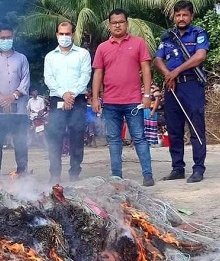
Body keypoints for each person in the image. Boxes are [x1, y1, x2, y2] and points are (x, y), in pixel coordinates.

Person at [91, 9, 154, 186]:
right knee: (114, 140)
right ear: (109, 25)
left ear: (127, 23)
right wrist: (96, 98)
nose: (117, 25)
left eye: (121, 22)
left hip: (134, 102)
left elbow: (146, 70)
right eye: (114, 22)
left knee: (140, 138)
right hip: (110, 103)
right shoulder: (102, 47)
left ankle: (147, 175)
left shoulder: (139, 43)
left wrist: (147, 95)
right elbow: (98, 73)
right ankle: (116, 176)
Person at [153, 0, 209, 183]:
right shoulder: (167, 37)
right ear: (174, 17)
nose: (181, 18)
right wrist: (169, 75)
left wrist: (177, 71)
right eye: (178, 15)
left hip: (191, 85)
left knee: (195, 128)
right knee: (174, 129)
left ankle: (198, 168)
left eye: (185, 15)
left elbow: (200, 56)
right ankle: (177, 168)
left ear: (191, 16)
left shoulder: (198, 33)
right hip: (172, 87)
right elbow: (157, 60)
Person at [44, 21, 92, 183]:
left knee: (77, 136)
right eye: (61, 34)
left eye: (67, 34)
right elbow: (49, 79)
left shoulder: (83, 54)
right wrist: (63, 94)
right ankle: (54, 174)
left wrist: (71, 95)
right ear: (57, 35)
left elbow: (85, 76)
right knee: (55, 136)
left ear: (72, 35)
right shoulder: (50, 57)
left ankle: (74, 173)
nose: (64, 37)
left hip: (77, 100)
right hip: (57, 99)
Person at [0, 24, 30, 177]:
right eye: (3, 38)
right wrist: (2, 99)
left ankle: (22, 174)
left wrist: (13, 97)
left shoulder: (22, 59)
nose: (6, 40)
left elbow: (25, 81)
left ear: (13, 38)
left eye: (9, 37)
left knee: (21, 144)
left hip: (19, 110)